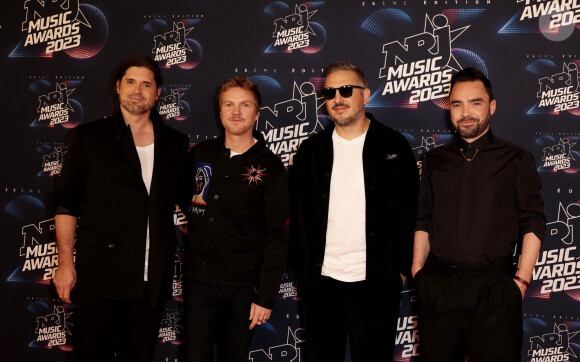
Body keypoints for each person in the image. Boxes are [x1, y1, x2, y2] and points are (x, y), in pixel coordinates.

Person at [52, 55, 189, 362]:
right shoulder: (89, 137)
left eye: (146, 84)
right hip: (100, 272)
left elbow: (190, 202)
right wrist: (65, 263)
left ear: (157, 94)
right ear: (117, 87)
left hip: (149, 279)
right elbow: (66, 203)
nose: (137, 90)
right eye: (130, 82)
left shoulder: (175, 143)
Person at [412, 67, 546, 361]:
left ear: (492, 106)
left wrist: (520, 283)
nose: (466, 112)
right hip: (438, 289)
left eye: (476, 102)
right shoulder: (434, 160)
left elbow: (532, 220)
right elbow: (423, 219)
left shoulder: (516, 158)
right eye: (457, 104)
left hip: (494, 290)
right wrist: (418, 272)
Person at [289, 61, 419, 362]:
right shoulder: (310, 151)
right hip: (321, 284)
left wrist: (398, 271)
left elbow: (410, 211)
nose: (337, 98)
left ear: (366, 94)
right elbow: (296, 214)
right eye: (330, 92)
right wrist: (302, 269)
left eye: (346, 89)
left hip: (377, 283)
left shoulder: (394, 146)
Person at [179, 77, 289, 362]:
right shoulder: (201, 153)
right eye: (229, 104)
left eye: (245, 105)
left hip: (244, 288)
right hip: (199, 282)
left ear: (257, 112)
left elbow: (277, 236)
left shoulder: (270, 166)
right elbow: (184, 198)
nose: (236, 112)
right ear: (220, 111)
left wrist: (265, 296)